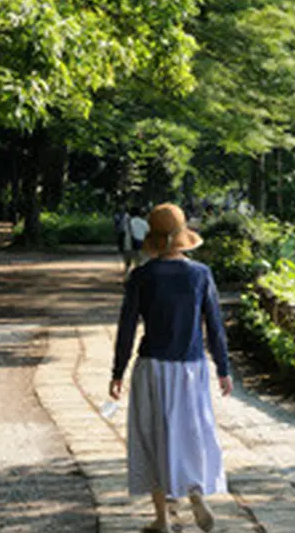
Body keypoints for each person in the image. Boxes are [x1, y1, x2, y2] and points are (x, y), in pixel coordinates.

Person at [110, 203, 232, 533]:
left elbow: (126, 327)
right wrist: (224, 368)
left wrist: (117, 372)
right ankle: (196, 495)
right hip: (191, 367)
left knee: (153, 437)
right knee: (191, 433)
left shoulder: (141, 277)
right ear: (183, 236)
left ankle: (162, 519)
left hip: (152, 366)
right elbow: (215, 326)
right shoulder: (200, 274)